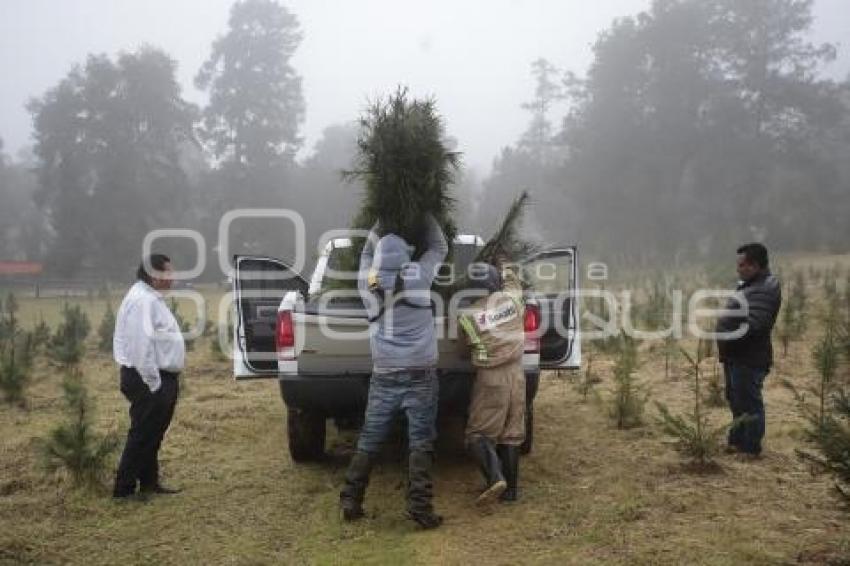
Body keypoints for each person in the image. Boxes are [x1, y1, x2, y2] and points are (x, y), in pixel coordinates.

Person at [339, 215, 448, 529]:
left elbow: (365, 255)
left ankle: (350, 499)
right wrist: (424, 213)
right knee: (421, 441)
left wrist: (379, 224)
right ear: (405, 258)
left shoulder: (367, 284)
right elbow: (439, 246)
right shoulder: (418, 277)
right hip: (421, 373)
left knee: (370, 438)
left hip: (385, 373)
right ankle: (420, 508)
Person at [112, 254, 185, 498]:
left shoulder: (149, 298)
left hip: (157, 378)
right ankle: (124, 489)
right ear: (154, 275)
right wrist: (155, 385)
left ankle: (149, 482)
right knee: (142, 433)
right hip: (148, 379)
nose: (172, 278)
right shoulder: (142, 301)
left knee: (152, 433)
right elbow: (140, 347)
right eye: (168, 273)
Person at [458, 259, 525, 503]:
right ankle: (511, 492)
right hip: (517, 374)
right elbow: (514, 283)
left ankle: (495, 478)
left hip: (491, 378)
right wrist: (506, 263)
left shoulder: (468, 316)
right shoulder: (513, 300)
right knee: (512, 432)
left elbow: (463, 352)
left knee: (477, 434)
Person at [716, 243, 782, 458]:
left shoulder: (765, 288)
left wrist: (728, 336)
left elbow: (755, 326)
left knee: (749, 402)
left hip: (749, 357)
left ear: (755, 265)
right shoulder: (751, 285)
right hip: (736, 355)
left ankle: (751, 448)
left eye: (742, 264)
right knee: (736, 400)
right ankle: (736, 442)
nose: (738, 268)